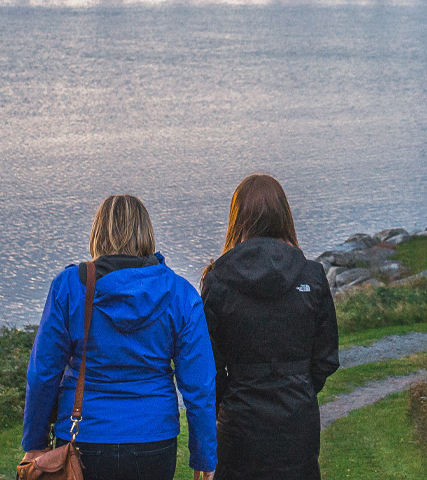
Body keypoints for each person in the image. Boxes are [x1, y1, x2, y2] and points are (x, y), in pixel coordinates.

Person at [21, 194, 217, 480]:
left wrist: (35, 443)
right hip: (154, 438)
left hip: (82, 437)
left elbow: (43, 373)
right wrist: (204, 455)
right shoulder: (179, 293)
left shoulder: (68, 288)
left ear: (98, 233)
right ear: (146, 232)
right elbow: (199, 384)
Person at [200, 174, 339, 480]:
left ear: (237, 218)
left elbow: (209, 365)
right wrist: (297, 382)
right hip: (297, 418)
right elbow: (326, 357)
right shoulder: (312, 276)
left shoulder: (217, 280)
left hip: (239, 421)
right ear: (284, 214)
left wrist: (231, 396)